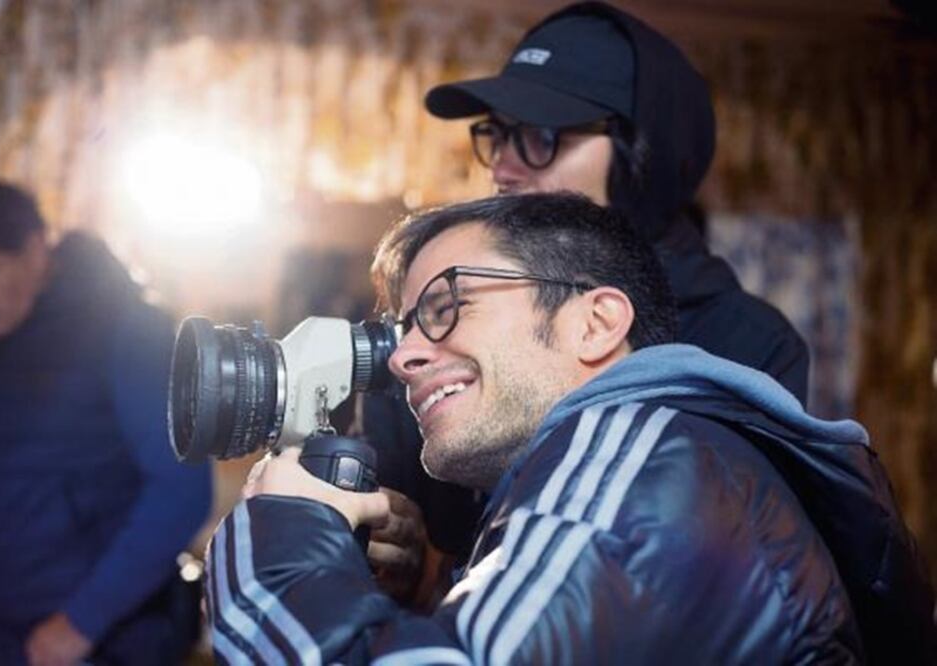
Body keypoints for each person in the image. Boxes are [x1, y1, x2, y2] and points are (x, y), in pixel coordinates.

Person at [204, 192, 934, 664]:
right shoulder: (673, 460)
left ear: (597, 322)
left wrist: (281, 528)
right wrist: (427, 592)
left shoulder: (639, 457)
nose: (401, 356)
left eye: (444, 305)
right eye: (400, 327)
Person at [364, 0, 813, 604]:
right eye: (495, 135)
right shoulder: (437, 330)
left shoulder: (746, 343)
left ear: (640, 157)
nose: (502, 165)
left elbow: (689, 581)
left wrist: (438, 576)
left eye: (541, 137)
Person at [0, 176, 212, 666]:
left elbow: (181, 490)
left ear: (35, 249)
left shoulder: (127, 328)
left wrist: (83, 622)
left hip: (103, 642)